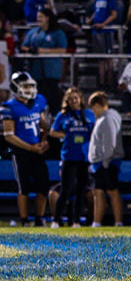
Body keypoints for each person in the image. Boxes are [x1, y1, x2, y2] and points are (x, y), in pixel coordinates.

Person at [4, 72, 51, 227]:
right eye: (25, 86)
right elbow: (9, 135)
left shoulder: (39, 101)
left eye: (30, 86)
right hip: (22, 151)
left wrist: (44, 141)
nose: (29, 89)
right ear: (15, 87)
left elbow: (43, 126)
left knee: (43, 186)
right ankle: (24, 220)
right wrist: (30, 147)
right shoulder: (9, 106)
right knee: (23, 187)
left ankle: (39, 219)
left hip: (37, 150)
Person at [49, 87, 93, 227]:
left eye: (76, 98)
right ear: (67, 101)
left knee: (81, 190)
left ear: (80, 99)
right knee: (66, 190)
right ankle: (56, 220)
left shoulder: (88, 114)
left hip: (84, 157)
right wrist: (65, 135)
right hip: (69, 156)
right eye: (71, 99)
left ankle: (76, 221)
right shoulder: (62, 115)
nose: (74, 101)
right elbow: (53, 132)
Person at [87, 92, 124, 227]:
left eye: (93, 108)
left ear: (97, 105)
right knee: (99, 191)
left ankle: (117, 222)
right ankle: (97, 222)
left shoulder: (107, 119)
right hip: (104, 162)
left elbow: (109, 143)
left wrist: (106, 162)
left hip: (106, 162)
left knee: (111, 190)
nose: (93, 111)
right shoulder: (109, 117)